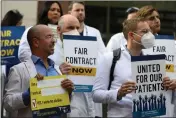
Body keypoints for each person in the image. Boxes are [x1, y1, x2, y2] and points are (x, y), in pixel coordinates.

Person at [3, 25, 74, 118]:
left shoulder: (57, 70)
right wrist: (28, 95)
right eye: (49, 37)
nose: (54, 41)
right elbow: (8, 104)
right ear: (36, 42)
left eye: (53, 37)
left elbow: (62, 104)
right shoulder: (18, 70)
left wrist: (68, 92)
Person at [68, 1, 106, 117]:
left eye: (82, 10)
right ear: (70, 12)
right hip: (73, 85)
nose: (80, 12)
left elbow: (103, 56)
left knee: (93, 112)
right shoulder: (65, 32)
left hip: (91, 82)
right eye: (77, 10)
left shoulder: (94, 32)